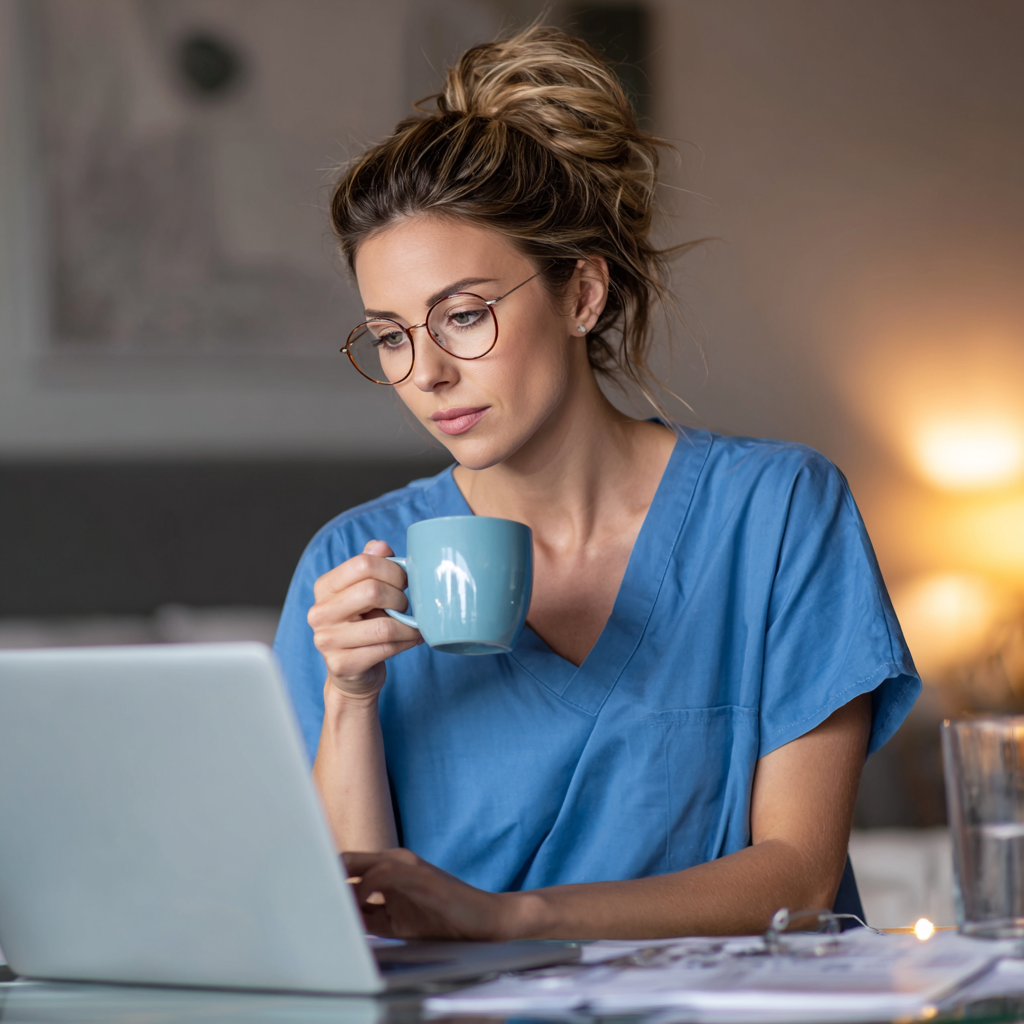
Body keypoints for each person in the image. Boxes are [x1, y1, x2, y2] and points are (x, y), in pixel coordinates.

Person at [273, 25, 920, 941]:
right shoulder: (349, 562)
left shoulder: (775, 514)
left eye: (462, 316)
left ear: (582, 294)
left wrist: (514, 919)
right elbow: (355, 929)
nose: (426, 373)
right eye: (390, 334)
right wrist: (350, 699)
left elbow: (800, 879)